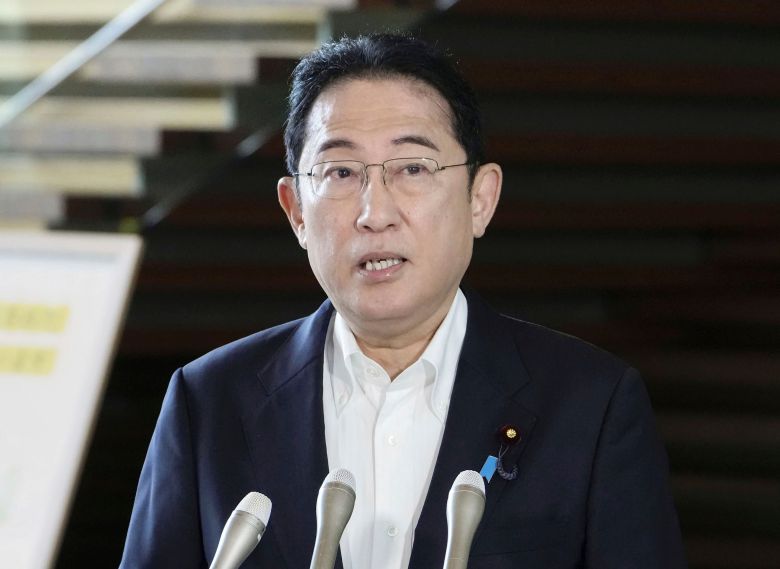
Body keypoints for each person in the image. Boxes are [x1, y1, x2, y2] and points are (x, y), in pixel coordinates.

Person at [120, 34, 687, 568]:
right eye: (341, 172)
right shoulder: (209, 402)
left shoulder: (591, 405)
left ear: (480, 199)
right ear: (296, 211)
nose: (375, 213)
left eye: (413, 168)